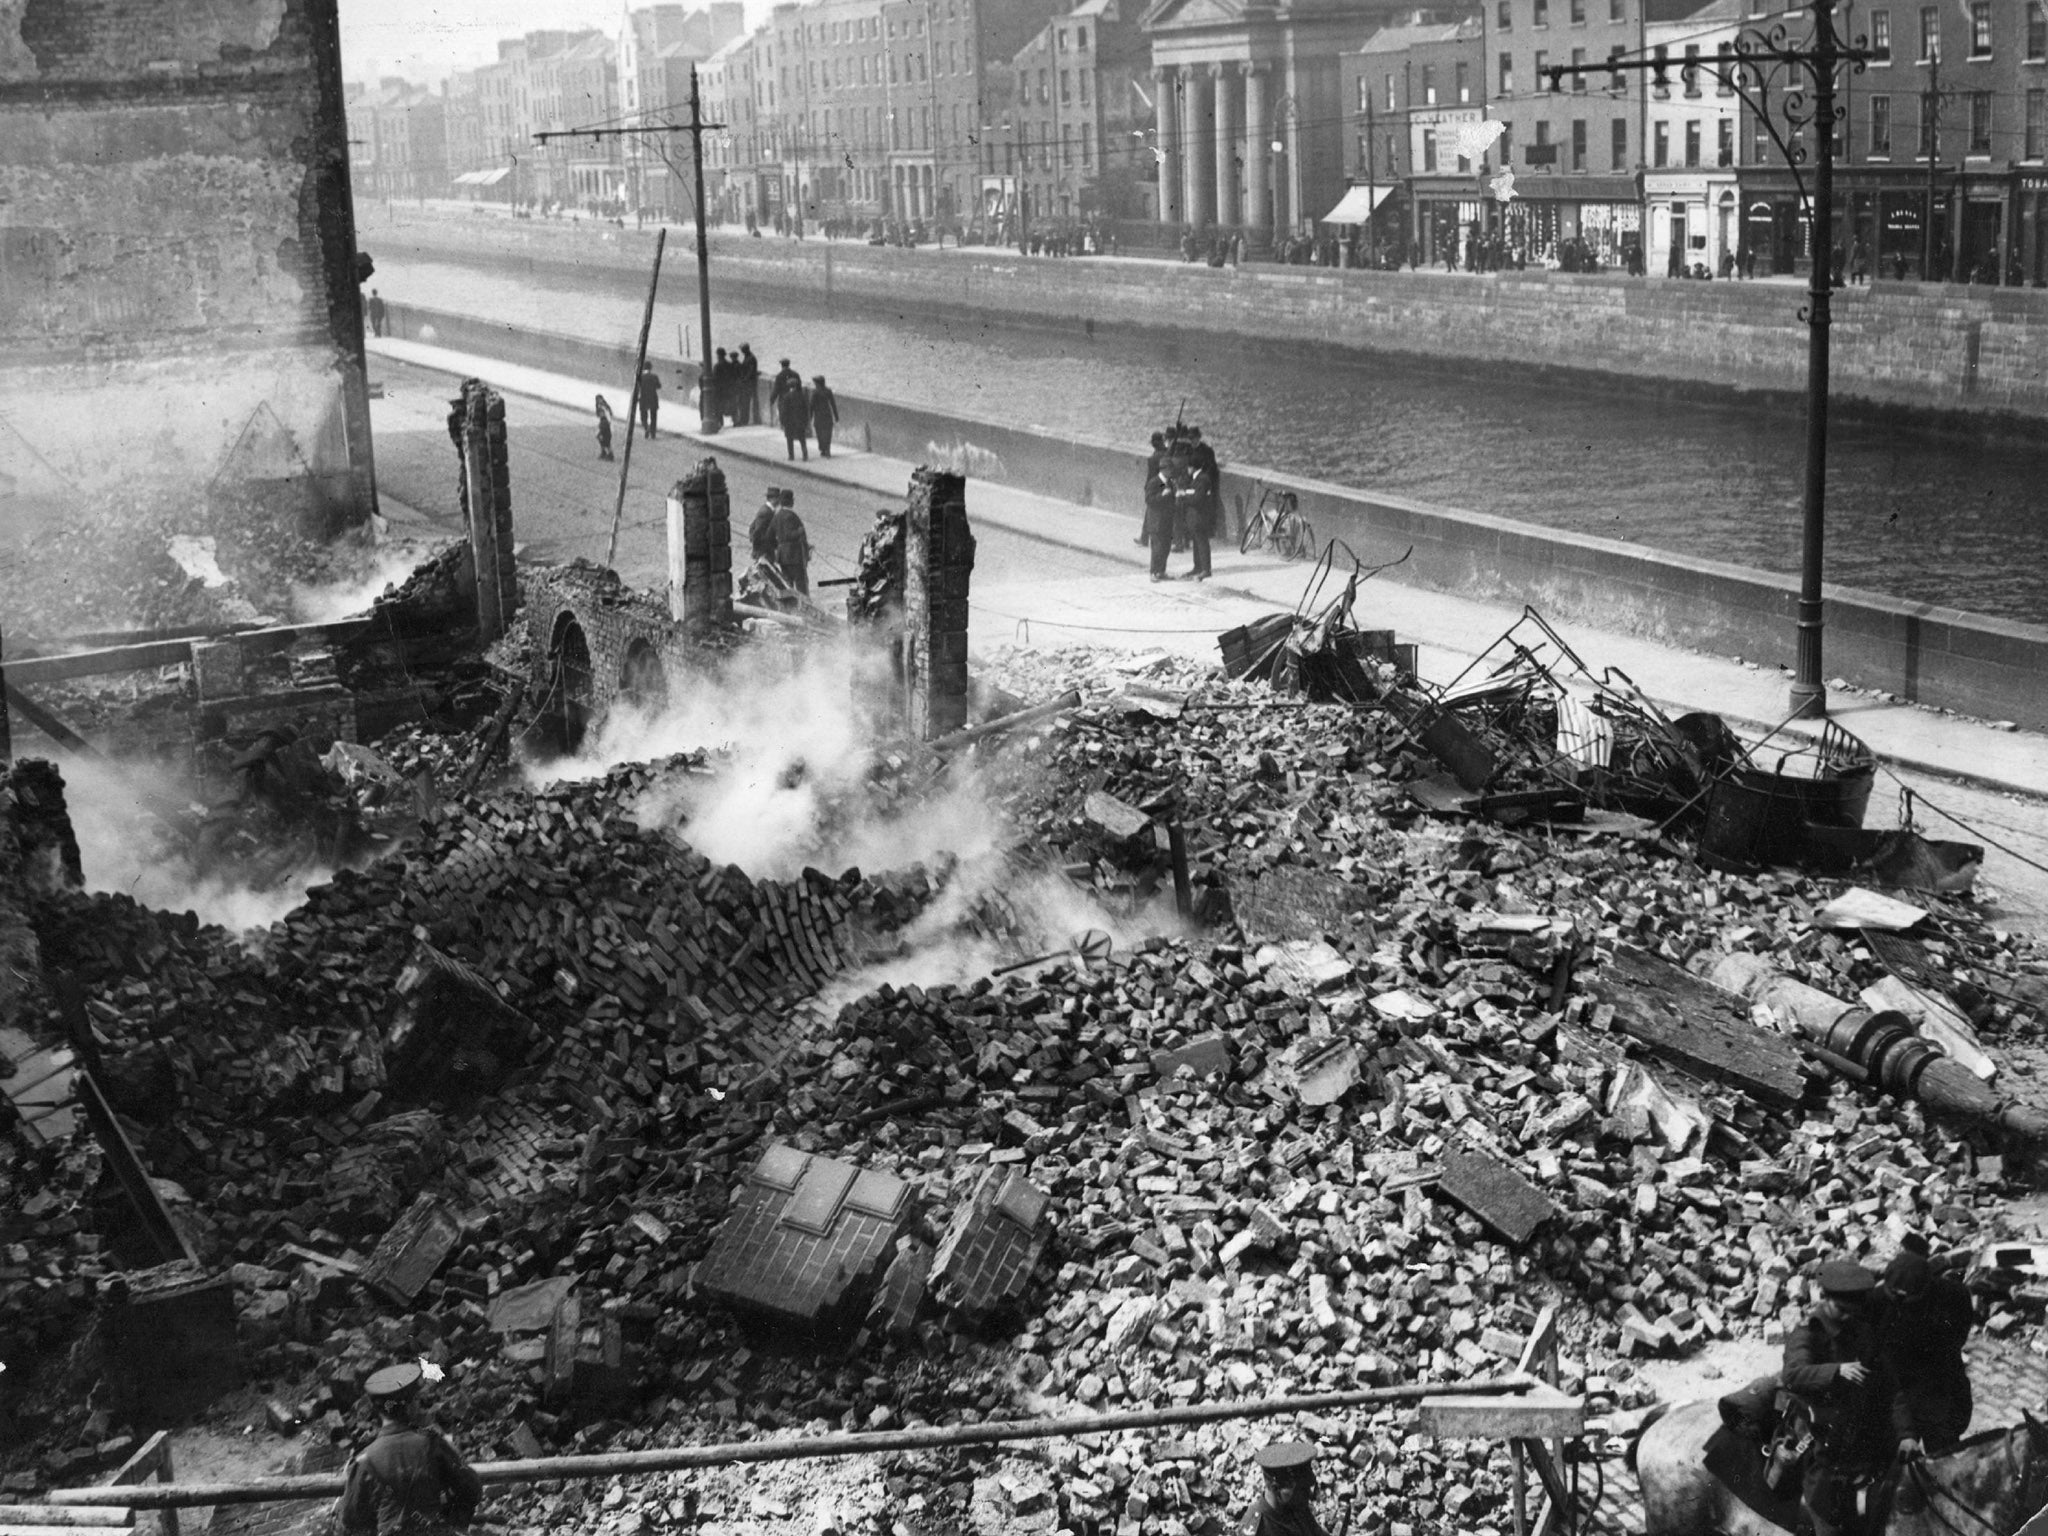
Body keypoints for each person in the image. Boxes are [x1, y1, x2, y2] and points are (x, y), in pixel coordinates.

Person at [1782, 1259, 1898, 1536]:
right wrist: (1837, 1371)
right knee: (1827, 1509)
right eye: (1841, 1310)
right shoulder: (1807, 1331)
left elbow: (1885, 1379)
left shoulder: (1860, 1329)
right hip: (1820, 1435)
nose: (1847, 1317)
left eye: (1852, 1312)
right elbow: (1793, 1374)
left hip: (1855, 1428)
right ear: (1824, 1297)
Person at [336, 1362, 482, 1536]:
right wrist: (453, 1520)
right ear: (410, 1405)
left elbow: (350, 1521)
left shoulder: (364, 1459)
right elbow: (472, 1490)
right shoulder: (432, 1444)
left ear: (378, 1410)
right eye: (417, 1401)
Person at [1875, 1235, 1974, 1456]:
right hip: (1898, 1394)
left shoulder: (1954, 1297)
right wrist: (1905, 1432)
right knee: (1893, 1468)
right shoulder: (1878, 1302)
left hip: (1941, 1394)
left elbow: (1955, 1342)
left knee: (1942, 1466)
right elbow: (1888, 1373)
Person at [1239, 1440, 1325, 1536]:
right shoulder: (1258, 1529)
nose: (1308, 1494)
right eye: (1301, 1490)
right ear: (1275, 1488)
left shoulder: (1297, 1508)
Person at [1187, 427, 1218, 581]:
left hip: (1202, 498)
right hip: (1195, 490)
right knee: (1195, 536)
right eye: (1190, 438)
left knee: (1201, 536)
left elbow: (1213, 472)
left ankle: (1205, 568)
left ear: (1199, 437)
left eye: (1194, 438)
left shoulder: (1207, 452)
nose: (1192, 441)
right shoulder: (1189, 450)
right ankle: (1197, 566)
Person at [771, 489, 811, 594]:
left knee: (788, 583)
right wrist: (800, 531)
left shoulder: (777, 516)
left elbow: (771, 535)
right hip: (794, 556)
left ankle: (790, 605)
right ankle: (805, 606)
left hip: (783, 556)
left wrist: (779, 547)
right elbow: (789, 535)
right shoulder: (791, 516)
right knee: (801, 584)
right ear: (790, 501)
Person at [773, 364, 810, 460]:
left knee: (789, 439)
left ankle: (791, 456)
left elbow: (784, 411)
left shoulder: (786, 397)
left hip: (790, 422)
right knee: (802, 439)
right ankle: (805, 454)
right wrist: (806, 421)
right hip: (800, 421)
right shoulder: (802, 396)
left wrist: (782, 421)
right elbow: (806, 409)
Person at [1138, 431, 1165, 546]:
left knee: (1149, 513)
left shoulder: (1153, 459)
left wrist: (1147, 488)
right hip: (1164, 486)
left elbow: (1151, 476)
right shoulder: (1167, 453)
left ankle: (1144, 538)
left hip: (1155, 488)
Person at [809, 375, 839, 458]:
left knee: (820, 433)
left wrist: (810, 417)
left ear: (818, 384)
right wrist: (836, 416)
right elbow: (833, 404)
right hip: (827, 415)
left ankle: (823, 449)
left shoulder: (815, 392)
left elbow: (811, 406)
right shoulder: (828, 391)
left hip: (818, 416)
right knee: (828, 433)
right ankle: (827, 449)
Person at [748, 488, 781, 562]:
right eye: (778, 498)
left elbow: (753, 526)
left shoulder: (768, 510)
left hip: (766, 550)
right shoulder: (765, 512)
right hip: (763, 551)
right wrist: (757, 550)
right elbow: (757, 532)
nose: (779, 501)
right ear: (772, 499)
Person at [634, 362, 661, 440]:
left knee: (643, 417)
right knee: (654, 417)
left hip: (643, 398)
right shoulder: (654, 376)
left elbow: (637, 389)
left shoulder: (640, 377)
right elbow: (659, 386)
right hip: (653, 398)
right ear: (650, 368)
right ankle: (653, 433)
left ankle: (646, 427)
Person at [738, 344, 761, 424]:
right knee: (745, 402)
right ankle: (744, 420)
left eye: (742, 350)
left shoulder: (750, 358)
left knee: (745, 402)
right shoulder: (748, 357)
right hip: (748, 383)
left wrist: (744, 380)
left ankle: (744, 420)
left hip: (749, 384)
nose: (741, 352)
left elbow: (751, 371)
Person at [594, 395, 614, 461]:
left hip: (606, 425)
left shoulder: (605, 407)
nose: (599, 401)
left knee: (606, 441)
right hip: (604, 424)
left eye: (600, 399)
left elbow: (609, 415)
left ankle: (610, 454)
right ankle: (604, 452)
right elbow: (598, 415)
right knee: (601, 439)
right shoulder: (599, 406)